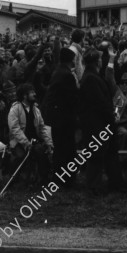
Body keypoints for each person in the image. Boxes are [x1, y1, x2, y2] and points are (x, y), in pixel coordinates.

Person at [80, 48, 123, 195]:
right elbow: (99, 103)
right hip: (97, 124)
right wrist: (111, 117)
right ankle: (93, 187)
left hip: (97, 123)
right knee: (96, 156)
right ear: (97, 61)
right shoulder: (91, 78)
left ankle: (110, 184)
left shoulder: (90, 76)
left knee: (103, 154)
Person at [43, 47, 79, 188]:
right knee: (67, 149)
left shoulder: (58, 72)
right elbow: (72, 98)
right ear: (71, 60)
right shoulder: (67, 75)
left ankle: (58, 178)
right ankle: (66, 179)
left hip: (56, 117)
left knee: (60, 149)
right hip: (64, 118)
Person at [8, 83, 53, 185]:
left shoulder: (36, 110)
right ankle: (13, 181)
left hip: (34, 141)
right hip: (18, 141)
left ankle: (43, 181)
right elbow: (15, 129)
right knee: (20, 156)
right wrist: (26, 143)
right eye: (32, 92)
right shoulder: (15, 109)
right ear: (24, 95)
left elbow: (42, 128)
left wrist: (48, 142)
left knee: (41, 152)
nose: (34, 94)